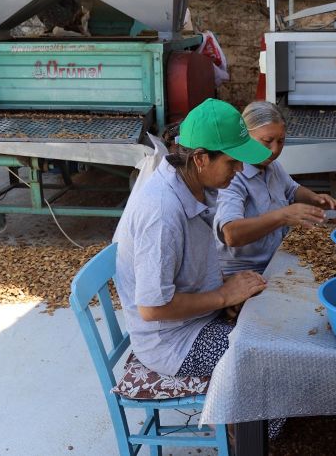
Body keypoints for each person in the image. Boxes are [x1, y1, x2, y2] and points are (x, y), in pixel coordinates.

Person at [114, 98, 270, 380]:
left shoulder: (194, 181)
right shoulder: (161, 213)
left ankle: (245, 420)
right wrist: (223, 296)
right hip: (172, 341)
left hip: (197, 317)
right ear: (200, 158)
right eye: (232, 162)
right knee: (263, 358)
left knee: (270, 318)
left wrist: (223, 294)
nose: (239, 171)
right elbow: (152, 308)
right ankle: (235, 424)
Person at [215, 101, 336, 275]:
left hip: (276, 258)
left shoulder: (271, 166)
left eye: (281, 141)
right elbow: (231, 234)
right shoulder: (232, 176)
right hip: (243, 273)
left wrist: (315, 198)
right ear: (244, 137)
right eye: (267, 141)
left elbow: (292, 189)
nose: (275, 150)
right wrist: (282, 216)